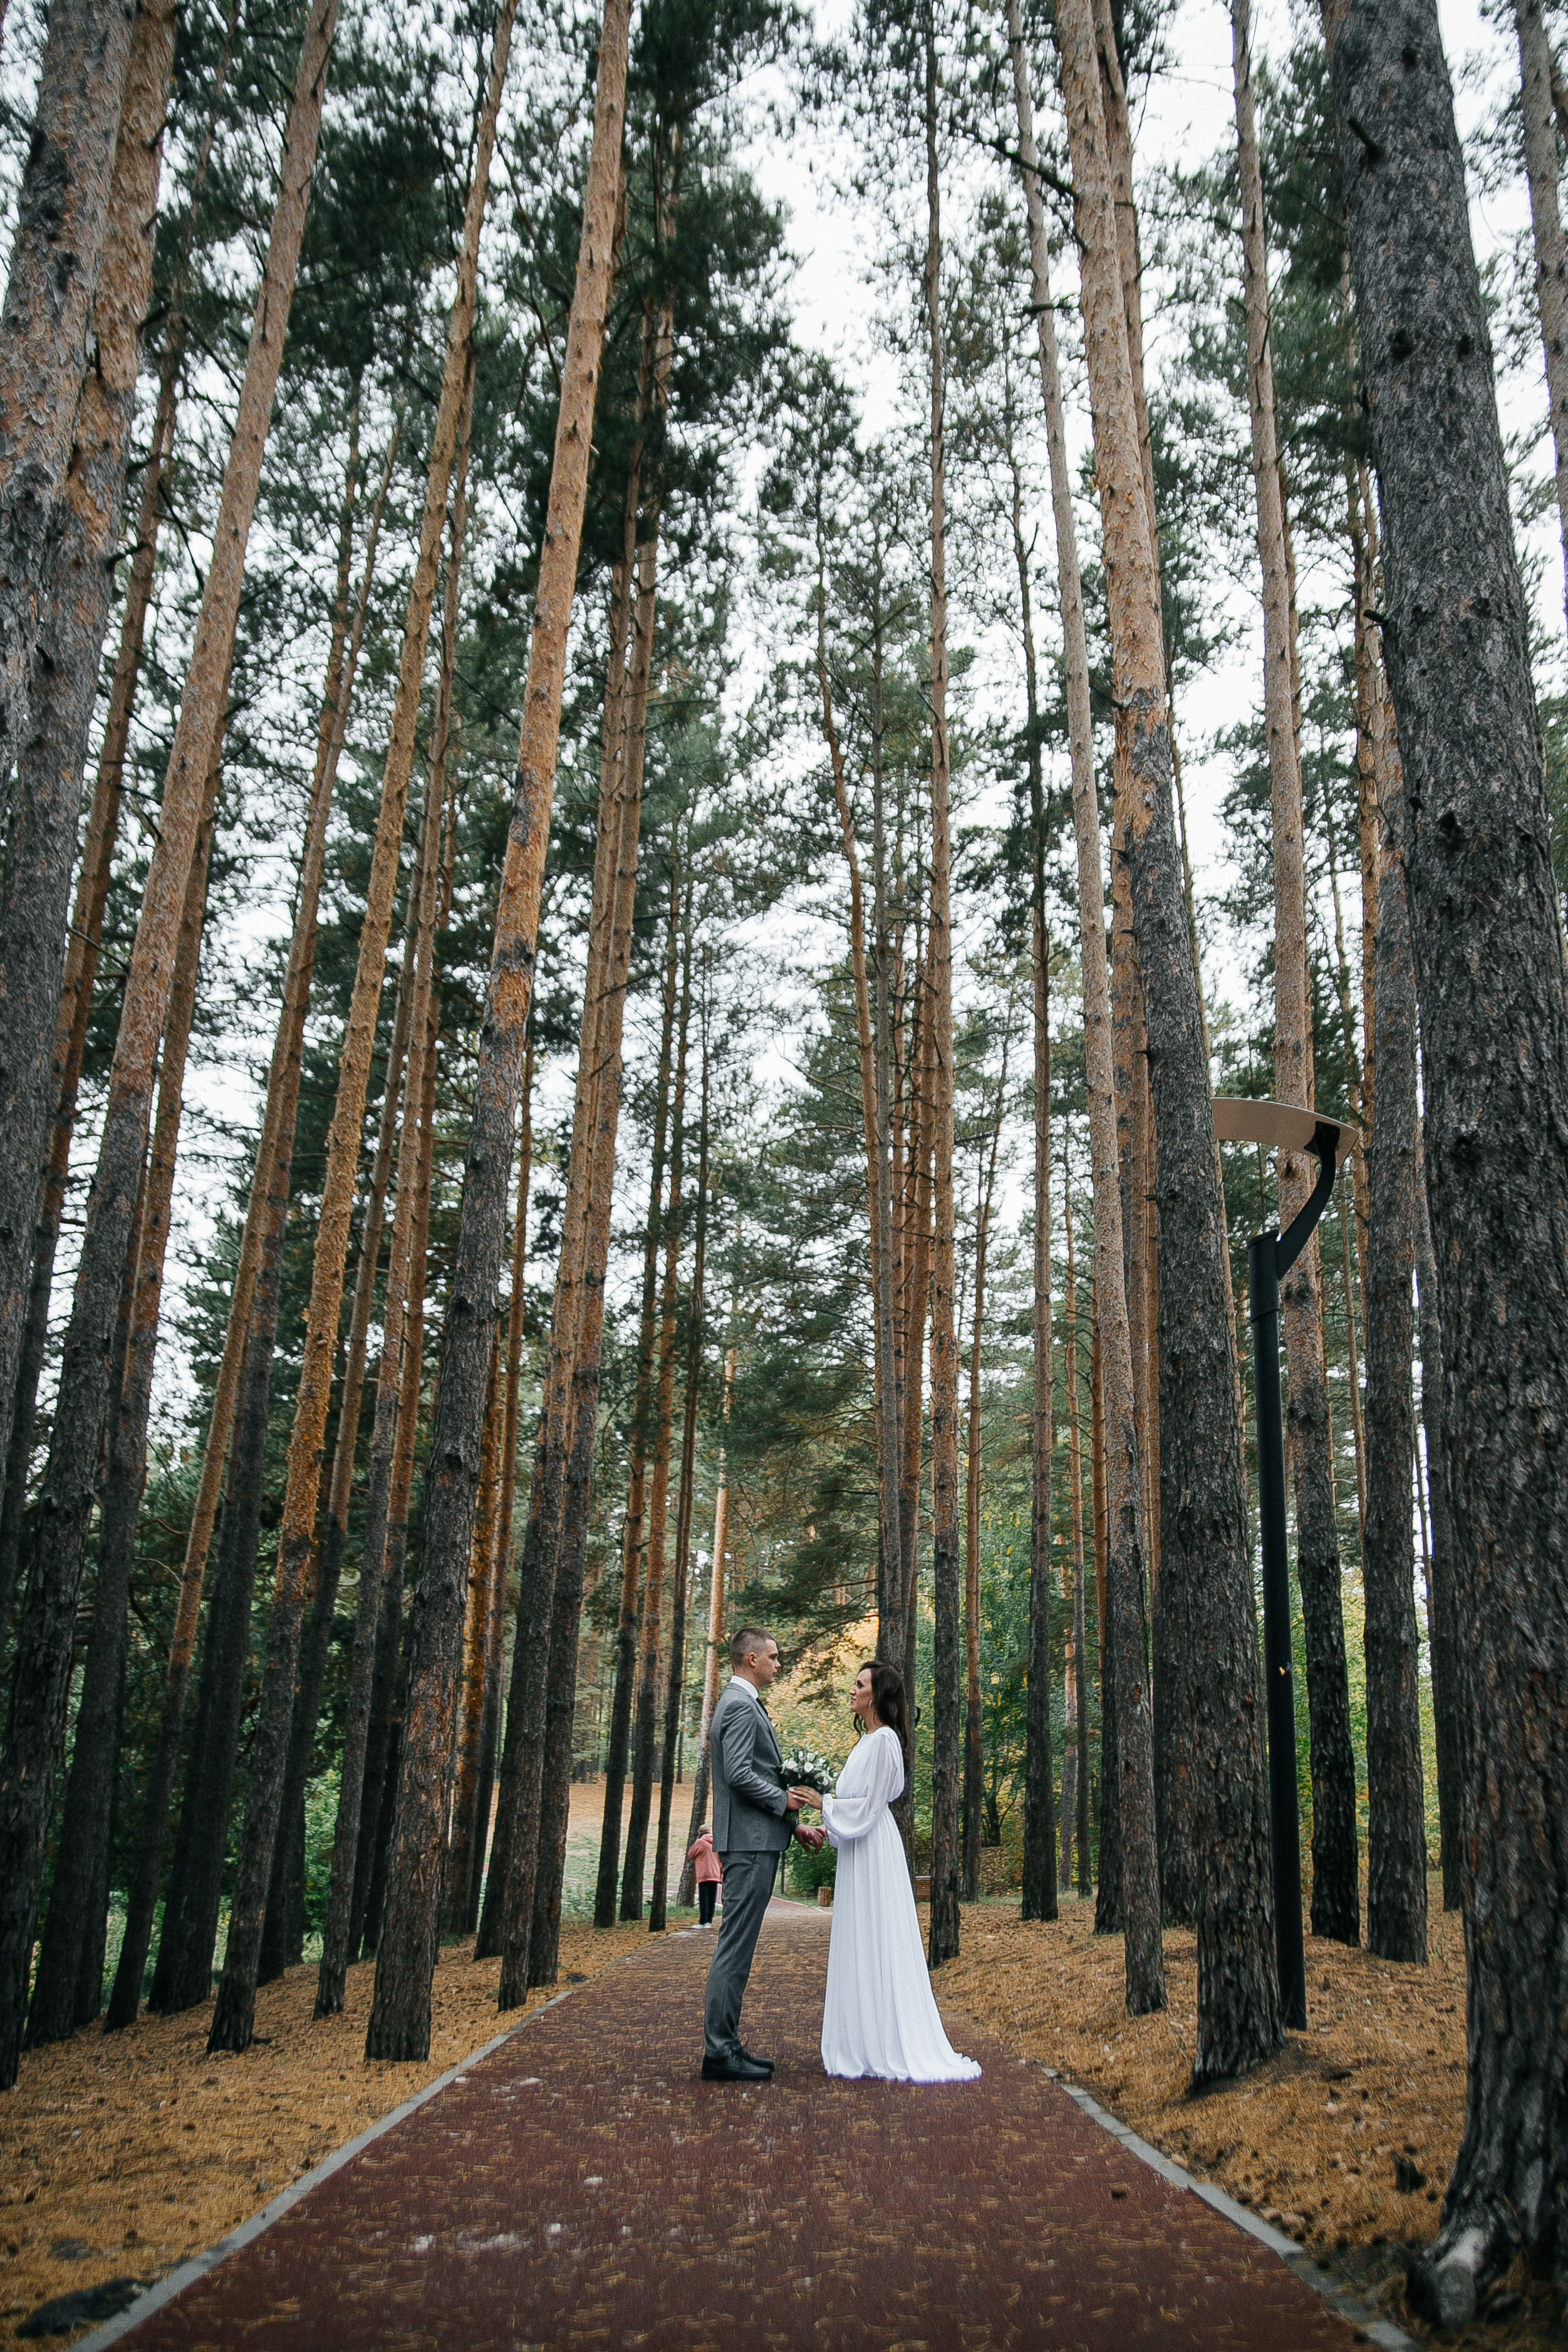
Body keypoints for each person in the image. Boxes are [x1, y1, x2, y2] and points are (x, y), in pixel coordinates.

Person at [791, 1660, 980, 2083]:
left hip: (875, 1850)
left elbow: (872, 1806)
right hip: (860, 1845)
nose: (853, 1689)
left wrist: (824, 1806)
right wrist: (827, 1826)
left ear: (876, 1695)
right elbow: (859, 1802)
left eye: (860, 1684)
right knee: (860, 1936)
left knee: (877, 1934)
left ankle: (884, 2041)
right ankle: (862, 2038)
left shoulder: (884, 1743)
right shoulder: (866, 1742)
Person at [702, 1626, 825, 2083]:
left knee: (738, 1947)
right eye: (773, 1657)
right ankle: (720, 2052)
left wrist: (792, 1827)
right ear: (750, 1659)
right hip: (749, 1847)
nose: (778, 1664)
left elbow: (750, 1774)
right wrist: (784, 1802)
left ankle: (725, 2046)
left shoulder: (743, 1704)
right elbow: (737, 1774)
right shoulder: (738, 1705)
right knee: (734, 1949)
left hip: (758, 1840)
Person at [687, 1823, 722, 1926]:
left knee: (704, 1898)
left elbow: (691, 1854)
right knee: (712, 1898)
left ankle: (703, 1921)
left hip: (704, 1874)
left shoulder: (700, 1842)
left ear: (700, 1833)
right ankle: (709, 1921)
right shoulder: (716, 1842)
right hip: (715, 1874)